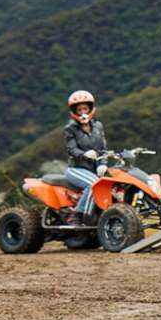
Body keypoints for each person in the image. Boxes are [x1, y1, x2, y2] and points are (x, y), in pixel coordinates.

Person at [62, 90, 107, 221]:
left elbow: (103, 149)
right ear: (74, 112)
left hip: (94, 169)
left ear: (90, 109)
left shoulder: (98, 126)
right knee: (94, 184)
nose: (83, 112)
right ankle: (78, 215)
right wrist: (84, 154)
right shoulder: (70, 129)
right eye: (79, 110)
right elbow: (71, 149)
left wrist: (103, 164)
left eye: (85, 109)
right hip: (77, 168)